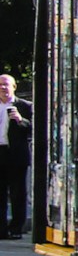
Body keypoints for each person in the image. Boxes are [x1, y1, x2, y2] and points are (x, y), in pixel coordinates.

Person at [0, 74, 30, 239]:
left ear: (13, 87)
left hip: (16, 155)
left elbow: (35, 128)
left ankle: (16, 228)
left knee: (18, 193)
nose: (3, 88)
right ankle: (1, 229)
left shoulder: (24, 106)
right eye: (0, 85)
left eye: (6, 85)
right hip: (0, 151)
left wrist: (20, 120)